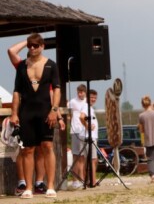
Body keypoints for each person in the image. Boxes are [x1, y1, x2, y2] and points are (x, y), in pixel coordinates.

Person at [7, 39, 65, 196]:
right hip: (27, 112)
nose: (32, 48)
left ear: (42, 46)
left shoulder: (51, 65)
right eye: (30, 45)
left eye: (36, 45)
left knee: (47, 146)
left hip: (45, 111)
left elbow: (56, 90)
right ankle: (28, 188)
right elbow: (16, 91)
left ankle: (50, 185)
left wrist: (55, 111)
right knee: (27, 150)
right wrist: (14, 113)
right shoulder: (21, 66)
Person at [68, 83, 88, 189]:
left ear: (85, 92)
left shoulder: (86, 102)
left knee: (82, 157)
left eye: (82, 92)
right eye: (78, 92)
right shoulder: (72, 102)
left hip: (84, 131)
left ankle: (82, 178)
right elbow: (69, 115)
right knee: (75, 156)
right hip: (75, 131)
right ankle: (75, 180)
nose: (80, 94)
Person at [79, 89, 99, 186]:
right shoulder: (86, 106)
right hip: (89, 136)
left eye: (95, 98)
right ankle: (93, 181)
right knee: (93, 159)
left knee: (89, 159)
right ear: (87, 97)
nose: (93, 99)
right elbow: (81, 117)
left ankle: (88, 180)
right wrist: (87, 126)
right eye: (91, 97)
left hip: (91, 136)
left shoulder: (90, 107)